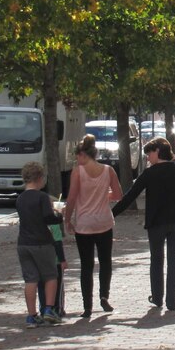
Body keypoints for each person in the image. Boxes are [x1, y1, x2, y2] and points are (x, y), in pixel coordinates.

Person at [112, 138, 175, 311]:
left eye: (149, 153)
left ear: (158, 151)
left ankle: (158, 297)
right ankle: (171, 300)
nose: (147, 157)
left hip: (156, 224)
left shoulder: (149, 174)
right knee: (174, 261)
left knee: (156, 260)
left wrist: (111, 214)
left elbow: (130, 196)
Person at [63, 135, 123, 318]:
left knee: (86, 265)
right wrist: (105, 196)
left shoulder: (78, 172)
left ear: (82, 154)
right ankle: (104, 296)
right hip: (104, 221)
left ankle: (87, 305)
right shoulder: (108, 170)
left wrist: (67, 219)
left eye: (77, 156)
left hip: (84, 223)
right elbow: (119, 194)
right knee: (105, 262)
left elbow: (72, 198)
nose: (76, 160)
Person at [16, 162, 63, 328]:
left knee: (30, 279)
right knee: (50, 276)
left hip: (23, 243)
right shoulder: (42, 197)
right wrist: (59, 215)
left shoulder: (20, 198)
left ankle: (31, 315)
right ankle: (49, 309)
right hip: (41, 242)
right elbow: (48, 218)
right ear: (39, 178)